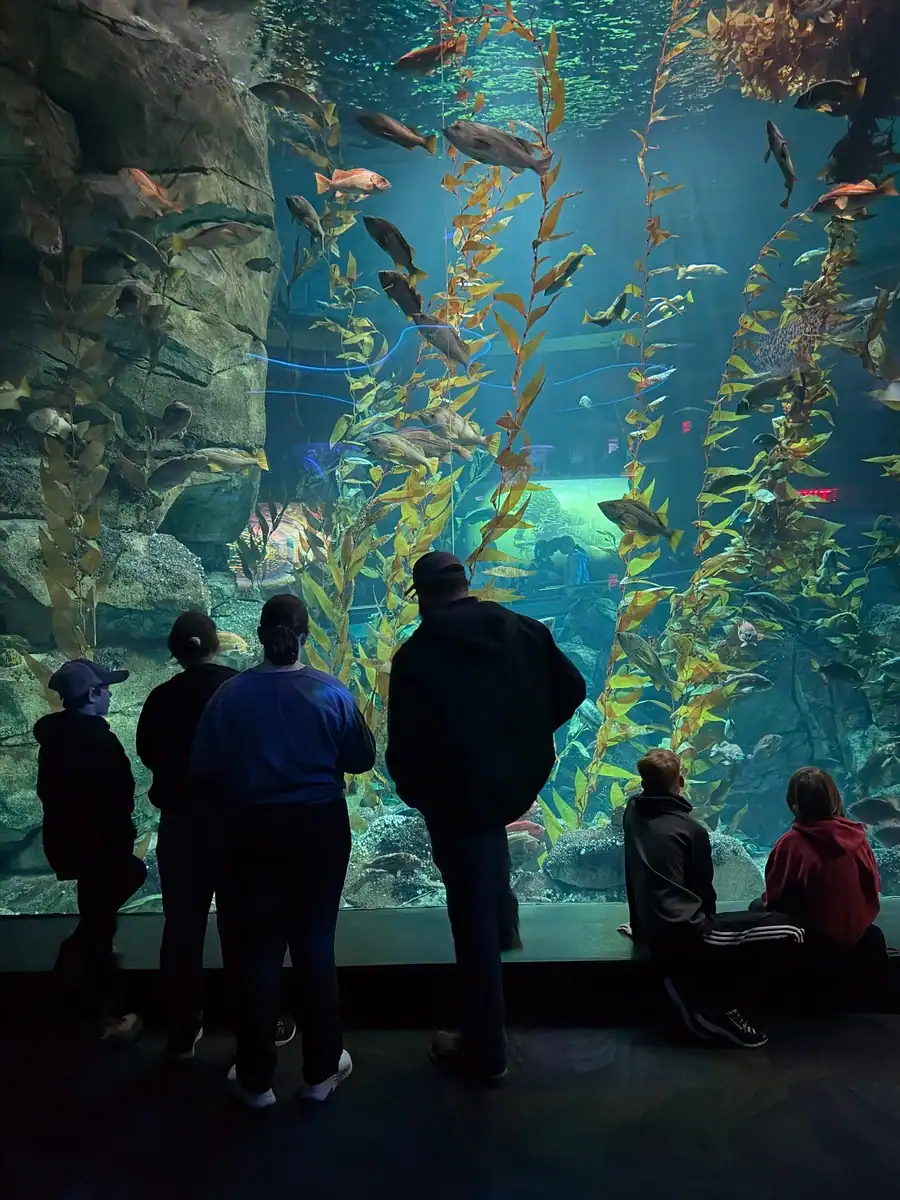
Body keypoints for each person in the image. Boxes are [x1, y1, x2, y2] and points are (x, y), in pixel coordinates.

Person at [386, 551, 586, 1085]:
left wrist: (416, 792)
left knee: (467, 921)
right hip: (511, 784)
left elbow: (402, 746)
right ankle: (504, 920)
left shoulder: (416, 654)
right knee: (488, 848)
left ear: (422, 597)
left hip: (453, 796)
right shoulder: (521, 629)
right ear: (466, 585)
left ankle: (484, 1050)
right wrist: (523, 735)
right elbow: (573, 689)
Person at [191, 593, 375, 1108]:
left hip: (248, 830)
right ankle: (321, 1071)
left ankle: (255, 1079)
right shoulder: (330, 692)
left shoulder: (229, 695)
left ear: (259, 633)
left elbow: (203, 768)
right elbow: (361, 758)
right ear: (305, 634)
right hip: (318, 827)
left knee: (257, 951)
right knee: (315, 943)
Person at [137, 613, 260, 1059]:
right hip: (235, 825)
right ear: (216, 645)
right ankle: (253, 1022)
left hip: (182, 828)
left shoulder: (161, 697)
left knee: (182, 926)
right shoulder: (241, 690)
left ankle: (182, 1026)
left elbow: (147, 751)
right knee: (242, 926)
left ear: (176, 651)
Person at [623, 748, 805, 1049]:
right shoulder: (691, 829)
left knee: (753, 922)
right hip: (689, 930)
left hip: (656, 929)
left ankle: (694, 989)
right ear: (681, 781)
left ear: (643, 783)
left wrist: (640, 928)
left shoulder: (633, 813)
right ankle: (716, 1008)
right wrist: (707, 929)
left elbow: (634, 874)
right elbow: (703, 892)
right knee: (792, 929)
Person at [33, 659, 147, 1038]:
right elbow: (116, 795)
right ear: (93, 694)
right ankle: (100, 1020)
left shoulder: (55, 738)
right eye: (105, 688)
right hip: (101, 849)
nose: (111, 693)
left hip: (72, 848)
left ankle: (84, 993)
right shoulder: (95, 738)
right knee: (99, 927)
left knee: (98, 917)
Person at [760, 766, 889, 1003]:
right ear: (834, 798)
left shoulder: (790, 844)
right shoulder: (859, 838)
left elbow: (775, 898)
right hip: (857, 933)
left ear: (795, 805)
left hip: (813, 941)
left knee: (756, 909)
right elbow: (873, 887)